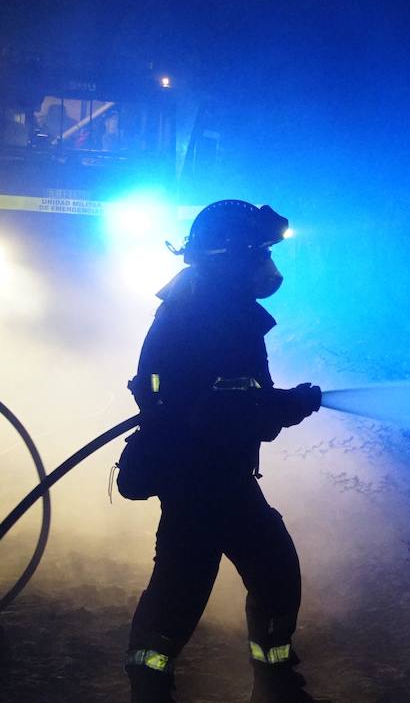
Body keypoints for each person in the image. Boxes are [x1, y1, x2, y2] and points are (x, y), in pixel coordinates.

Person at [118, 199, 324, 703]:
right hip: (202, 476)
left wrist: (278, 405)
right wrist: (289, 405)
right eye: (259, 253)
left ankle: (269, 684)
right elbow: (227, 406)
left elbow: (232, 398)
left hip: (213, 473)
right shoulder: (211, 313)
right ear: (229, 255)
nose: (267, 265)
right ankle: (157, 688)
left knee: (259, 571)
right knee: (190, 587)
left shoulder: (209, 303)